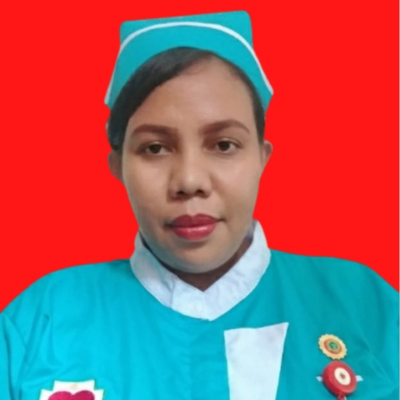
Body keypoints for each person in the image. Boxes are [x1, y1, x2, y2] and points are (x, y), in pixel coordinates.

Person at [0, 10, 398, 400]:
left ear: (261, 157)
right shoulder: (39, 323)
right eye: (155, 148)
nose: (189, 181)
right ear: (118, 166)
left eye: (224, 145)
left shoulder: (366, 307)